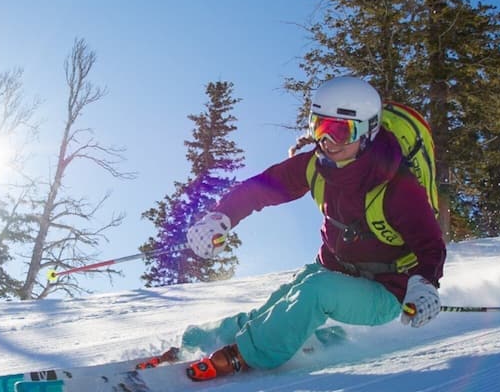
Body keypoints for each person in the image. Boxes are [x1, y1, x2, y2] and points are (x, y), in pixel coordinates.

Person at [176, 76, 447, 381]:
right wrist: (220, 217)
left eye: (340, 131)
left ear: (368, 132)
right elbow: (261, 188)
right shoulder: (315, 166)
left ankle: (246, 355)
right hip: (333, 269)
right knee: (289, 296)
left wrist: (424, 284)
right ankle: (228, 334)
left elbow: (431, 244)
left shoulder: (398, 188)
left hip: (387, 289)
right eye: (320, 127)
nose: (327, 142)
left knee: (315, 293)